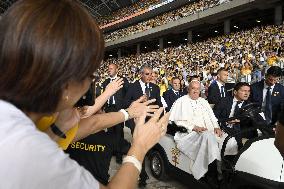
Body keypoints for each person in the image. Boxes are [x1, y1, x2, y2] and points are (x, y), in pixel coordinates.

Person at [0, 1, 169, 189]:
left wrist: (128, 113)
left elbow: (91, 124)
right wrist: (139, 146)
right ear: (67, 85)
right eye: (91, 75)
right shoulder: (32, 155)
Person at [169, 80, 238, 181]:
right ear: (188, 89)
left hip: (209, 131)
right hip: (189, 134)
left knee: (229, 139)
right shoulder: (181, 101)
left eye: (198, 89)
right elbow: (176, 120)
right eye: (193, 88)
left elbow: (213, 117)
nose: (196, 91)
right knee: (208, 137)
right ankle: (211, 172)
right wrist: (193, 127)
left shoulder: (203, 101)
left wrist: (216, 127)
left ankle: (226, 169)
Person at [123, 65, 163, 187]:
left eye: (151, 74)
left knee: (149, 147)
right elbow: (125, 103)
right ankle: (142, 175)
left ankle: (149, 164)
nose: (150, 76)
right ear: (141, 74)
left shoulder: (155, 88)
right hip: (136, 121)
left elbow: (159, 104)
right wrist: (139, 102)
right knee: (139, 147)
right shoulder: (132, 87)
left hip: (150, 121)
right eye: (147, 74)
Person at [101, 63, 130, 164]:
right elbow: (103, 96)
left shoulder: (122, 80)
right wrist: (103, 108)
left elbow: (128, 94)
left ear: (116, 69)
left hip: (119, 109)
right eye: (108, 68)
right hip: (109, 109)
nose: (109, 70)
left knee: (118, 131)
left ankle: (119, 154)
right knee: (109, 132)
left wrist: (124, 106)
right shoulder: (105, 82)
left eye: (111, 68)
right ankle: (111, 151)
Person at [214, 82, 257, 149]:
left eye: (248, 91)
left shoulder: (250, 105)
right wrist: (226, 121)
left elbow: (255, 120)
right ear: (235, 92)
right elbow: (214, 117)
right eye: (243, 91)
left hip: (240, 129)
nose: (247, 93)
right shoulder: (223, 101)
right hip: (223, 127)